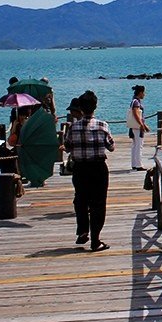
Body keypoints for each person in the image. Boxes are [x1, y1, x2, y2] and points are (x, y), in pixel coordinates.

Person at [63, 90, 115, 252]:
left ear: (81, 108)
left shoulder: (73, 127)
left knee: (80, 200)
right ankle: (95, 240)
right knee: (98, 204)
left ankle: (83, 230)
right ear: (95, 106)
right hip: (98, 167)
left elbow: (67, 147)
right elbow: (111, 147)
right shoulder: (102, 125)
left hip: (80, 168)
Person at [127, 85, 149, 171]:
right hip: (137, 127)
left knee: (135, 145)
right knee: (139, 145)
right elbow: (136, 113)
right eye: (143, 92)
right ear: (140, 93)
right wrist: (142, 125)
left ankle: (134, 164)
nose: (144, 94)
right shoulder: (136, 102)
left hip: (135, 126)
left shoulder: (134, 101)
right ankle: (138, 165)